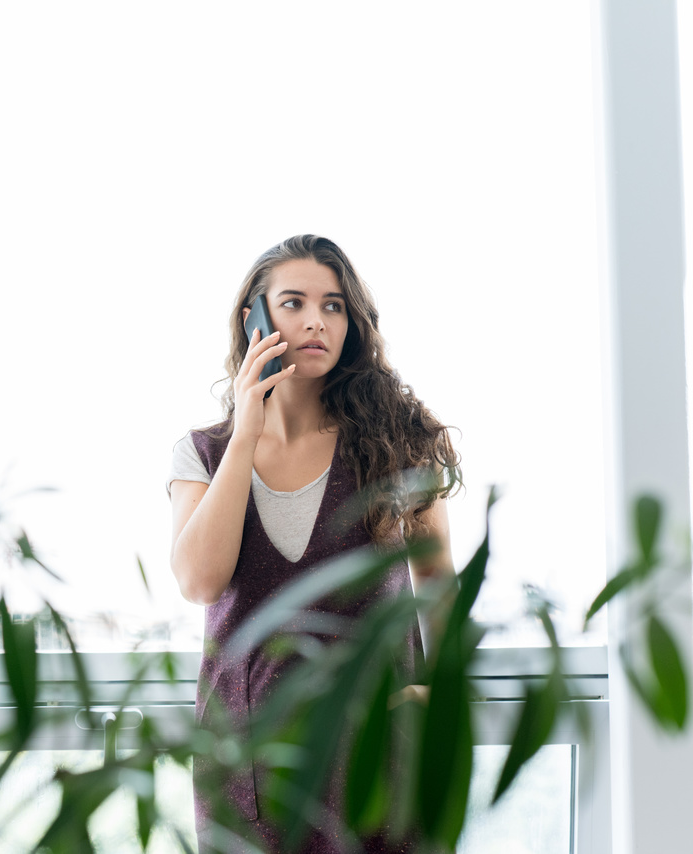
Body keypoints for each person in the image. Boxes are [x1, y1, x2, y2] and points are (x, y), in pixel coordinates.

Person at [167, 235, 460, 853]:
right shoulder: (205, 453)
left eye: (333, 306)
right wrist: (247, 429)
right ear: (254, 318)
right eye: (293, 302)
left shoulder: (398, 441)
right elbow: (199, 582)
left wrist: (438, 687)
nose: (314, 322)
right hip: (246, 753)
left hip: (376, 749)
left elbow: (437, 584)